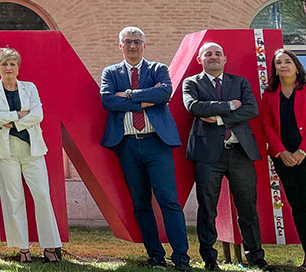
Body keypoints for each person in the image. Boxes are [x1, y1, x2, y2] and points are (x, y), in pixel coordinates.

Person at [100, 26, 190, 270]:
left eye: (137, 41)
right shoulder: (110, 72)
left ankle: (181, 257)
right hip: (127, 146)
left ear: (144, 45)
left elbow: (164, 93)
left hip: (156, 144)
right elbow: (107, 100)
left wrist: (128, 95)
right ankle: (155, 256)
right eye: (127, 42)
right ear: (120, 46)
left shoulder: (158, 69)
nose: (132, 46)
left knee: (169, 201)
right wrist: (143, 103)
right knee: (140, 204)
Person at [182, 42, 268, 271]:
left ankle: (256, 256)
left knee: (248, 207)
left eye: (218, 54)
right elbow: (194, 107)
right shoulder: (191, 83)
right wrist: (229, 105)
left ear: (225, 59)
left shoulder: (239, 82)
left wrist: (220, 119)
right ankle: (209, 258)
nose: (213, 57)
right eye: (208, 54)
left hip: (240, 152)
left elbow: (251, 109)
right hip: (207, 155)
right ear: (200, 59)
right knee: (207, 207)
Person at [0, 47, 62, 263]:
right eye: (4, 64)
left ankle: (49, 246)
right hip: (5, 151)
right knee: (14, 198)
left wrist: (10, 120)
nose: (9, 68)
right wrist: (19, 115)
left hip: (32, 149)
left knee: (42, 196)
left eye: (12, 64)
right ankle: (23, 248)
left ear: (18, 67)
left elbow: (38, 115)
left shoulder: (30, 88)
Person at [258, 49, 306, 272]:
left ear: (297, 66)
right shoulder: (269, 95)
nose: (283, 65)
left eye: (287, 61)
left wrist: (302, 152)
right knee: (297, 207)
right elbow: (267, 126)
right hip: (284, 159)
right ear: (275, 69)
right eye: (278, 62)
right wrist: (281, 152)